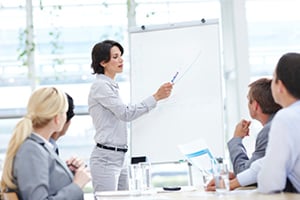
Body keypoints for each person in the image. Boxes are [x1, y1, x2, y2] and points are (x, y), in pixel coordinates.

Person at [88, 39, 173, 192]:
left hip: (120, 156)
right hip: (106, 158)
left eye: (120, 55)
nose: (120, 60)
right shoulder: (100, 86)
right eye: (115, 57)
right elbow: (125, 113)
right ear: (103, 62)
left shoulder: (111, 86)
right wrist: (156, 97)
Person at [209, 52, 300, 193]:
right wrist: (236, 181)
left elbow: (270, 182)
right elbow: (267, 162)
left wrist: (236, 140)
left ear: (280, 86)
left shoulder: (285, 118)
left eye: (274, 79)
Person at [0, 87, 91, 200]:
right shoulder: (31, 150)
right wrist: (77, 185)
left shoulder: (39, 147)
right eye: (64, 113)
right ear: (57, 118)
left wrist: (68, 173)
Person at [227, 78, 281, 175]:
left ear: (255, 105)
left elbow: (245, 172)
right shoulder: (280, 123)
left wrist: (236, 139)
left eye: (249, 101)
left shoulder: (268, 131)